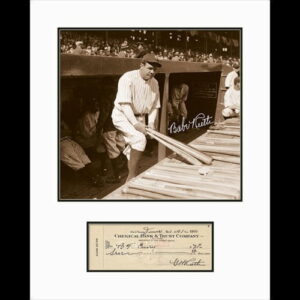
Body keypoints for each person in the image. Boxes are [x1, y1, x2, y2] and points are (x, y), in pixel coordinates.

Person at [111, 53, 161, 182]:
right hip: (122, 115)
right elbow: (124, 104)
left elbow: (155, 106)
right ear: (141, 65)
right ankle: (132, 176)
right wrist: (135, 124)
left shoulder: (155, 82)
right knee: (140, 139)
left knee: (137, 142)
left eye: (154, 69)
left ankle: (129, 159)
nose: (152, 72)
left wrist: (151, 123)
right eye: (150, 68)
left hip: (140, 117)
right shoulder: (127, 77)